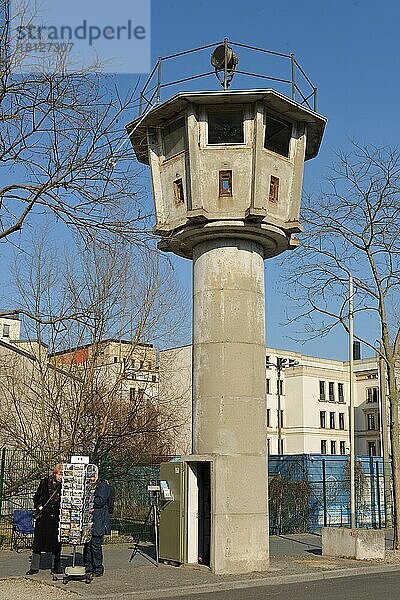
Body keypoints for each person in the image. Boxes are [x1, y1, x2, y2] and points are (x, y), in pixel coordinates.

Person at [26, 465, 62, 575]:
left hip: (56, 516)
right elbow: (36, 497)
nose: (60, 476)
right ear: (54, 473)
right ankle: (34, 567)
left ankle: (55, 566)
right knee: (38, 542)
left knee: (56, 542)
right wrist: (39, 505)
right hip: (44, 516)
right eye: (59, 474)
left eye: (62, 474)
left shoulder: (65, 485)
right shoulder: (45, 482)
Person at [83, 477, 111, 577]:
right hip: (90, 519)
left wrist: (88, 499)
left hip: (98, 520)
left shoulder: (103, 486)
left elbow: (100, 501)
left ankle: (98, 567)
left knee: (95, 544)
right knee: (87, 544)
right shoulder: (89, 485)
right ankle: (88, 566)